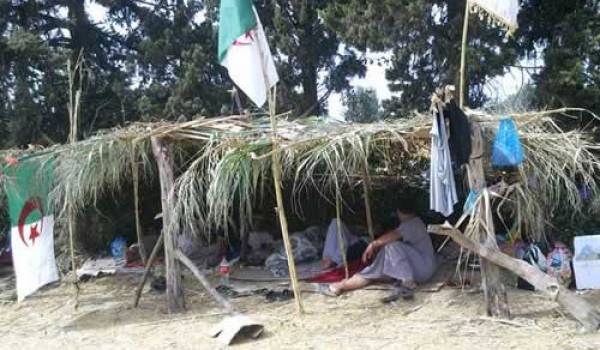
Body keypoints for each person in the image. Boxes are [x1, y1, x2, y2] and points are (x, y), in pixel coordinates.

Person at [322, 201, 436, 300]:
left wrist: (373, 244)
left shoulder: (414, 223)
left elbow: (394, 235)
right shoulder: (412, 223)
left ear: (398, 212)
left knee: (392, 246)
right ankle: (340, 286)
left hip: (423, 269)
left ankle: (408, 282)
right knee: (371, 273)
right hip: (419, 267)